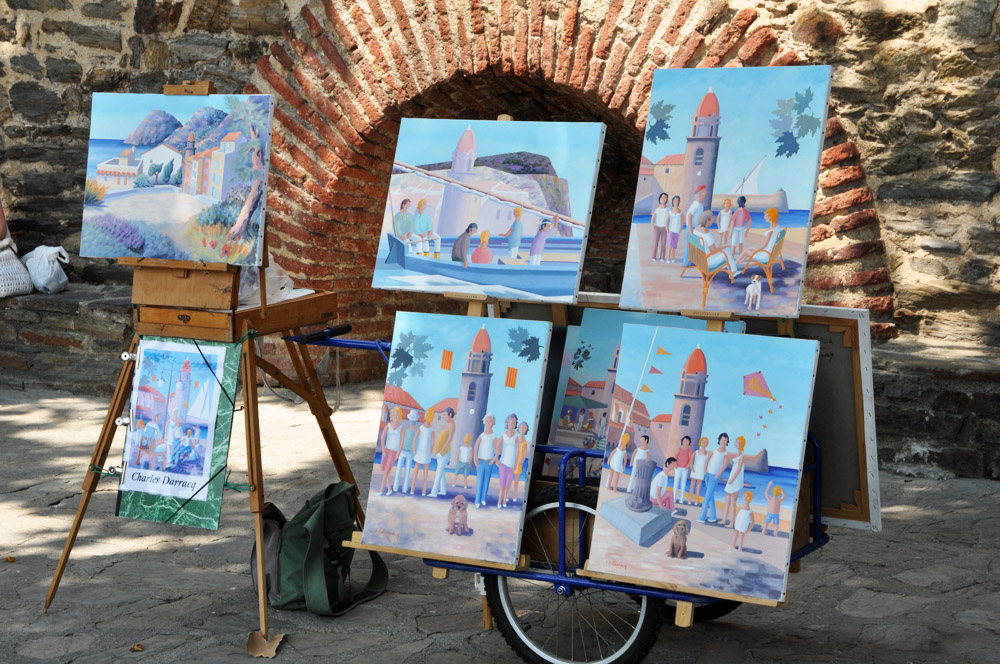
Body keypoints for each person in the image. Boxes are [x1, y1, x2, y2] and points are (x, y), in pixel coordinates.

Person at [722, 436, 766, 527]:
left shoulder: (741, 455)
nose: (736, 444)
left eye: (738, 442)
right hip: (732, 478)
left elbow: (738, 470)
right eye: (736, 442)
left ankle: (731, 523)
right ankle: (724, 520)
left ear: (742, 444)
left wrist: (732, 480)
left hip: (735, 480)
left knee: (733, 502)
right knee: (727, 501)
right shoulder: (738, 453)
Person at [697, 433, 737, 524]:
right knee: (710, 496)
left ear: (727, 442)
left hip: (715, 476)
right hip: (708, 474)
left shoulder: (725, 454)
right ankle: (713, 517)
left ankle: (702, 517)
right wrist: (705, 471)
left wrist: (717, 475)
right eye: (722, 440)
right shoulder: (714, 451)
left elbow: (724, 466)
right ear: (719, 440)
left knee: (706, 497)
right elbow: (707, 461)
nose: (723, 442)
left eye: (725, 440)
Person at [472, 413, 498, 508]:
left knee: (486, 480)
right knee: (480, 481)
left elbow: (497, 451)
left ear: (493, 423)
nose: (488, 423)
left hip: (489, 462)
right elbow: (475, 447)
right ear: (484, 422)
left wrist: (494, 460)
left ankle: (483, 498)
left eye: (490, 421)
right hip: (480, 461)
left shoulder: (493, 436)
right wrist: (475, 459)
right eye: (487, 421)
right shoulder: (482, 435)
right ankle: (477, 500)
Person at [429, 407, 456, 497]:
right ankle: (443, 490)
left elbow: (449, 439)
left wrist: (442, 451)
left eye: (445, 415)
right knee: (442, 471)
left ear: (450, 415)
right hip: (439, 452)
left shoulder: (452, 424)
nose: (444, 416)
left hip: (444, 453)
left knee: (438, 472)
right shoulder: (446, 424)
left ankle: (434, 492)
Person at [378, 407, 405, 495]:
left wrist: (398, 453)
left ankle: (381, 490)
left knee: (386, 471)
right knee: (383, 469)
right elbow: (382, 438)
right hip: (386, 450)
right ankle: (389, 489)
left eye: (398, 415)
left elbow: (402, 443)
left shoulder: (401, 428)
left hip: (394, 452)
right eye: (395, 414)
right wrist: (383, 450)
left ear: (400, 416)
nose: (396, 416)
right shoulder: (388, 425)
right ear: (392, 415)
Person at [410, 408, 436, 496]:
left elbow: (432, 442)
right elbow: (415, 439)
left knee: (423, 473)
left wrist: (430, 452)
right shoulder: (422, 427)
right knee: (419, 473)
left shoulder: (431, 429)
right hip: (421, 452)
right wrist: (414, 449)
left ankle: (421, 491)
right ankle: (415, 490)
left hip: (425, 453)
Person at [393, 409, 420, 493]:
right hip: (410, 453)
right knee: (407, 471)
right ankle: (404, 489)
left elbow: (401, 442)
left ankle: (395, 487)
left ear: (409, 420)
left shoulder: (405, 430)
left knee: (399, 470)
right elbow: (417, 444)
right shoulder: (416, 433)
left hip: (403, 451)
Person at [496, 414, 519, 508]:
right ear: (507, 423)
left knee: (508, 483)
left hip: (511, 464)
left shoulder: (516, 436)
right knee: (502, 483)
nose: (512, 424)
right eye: (511, 422)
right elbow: (497, 448)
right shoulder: (503, 435)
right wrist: (497, 460)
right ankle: (499, 501)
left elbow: (517, 451)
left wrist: (516, 463)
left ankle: (504, 501)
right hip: (503, 463)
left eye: (514, 422)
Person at [511, 420, 530, 502]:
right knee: (509, 479)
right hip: (512, 461)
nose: (522, 429)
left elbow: (525, 454)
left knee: (516, 481)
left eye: (524, 428)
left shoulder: (525, 442)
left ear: (526, 430)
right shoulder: (515, 439)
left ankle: (514, 496)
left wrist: (520, 463)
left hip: (518, 463)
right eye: (521, 427)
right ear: (518, 428)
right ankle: (507, 495)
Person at [689, 436, 710, 506]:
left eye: (705, 442)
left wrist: (705, 470)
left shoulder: (707, 453)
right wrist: (692, 467)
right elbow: (691, 459)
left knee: (698, 486)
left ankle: (696, 500)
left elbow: (708, 463)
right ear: (700, 443)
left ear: (707, 444)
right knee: (692, 485)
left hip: (701, 471)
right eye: (703, 442)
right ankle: (689, 499)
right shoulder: (696, 452)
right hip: (695, 470)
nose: (703, 444)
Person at [673, 435, 693, 504]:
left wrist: (688, 465)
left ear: (689, 442)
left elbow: (690, 459)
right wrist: (675, 464)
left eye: (687, 441)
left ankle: (681, 500)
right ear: (682, 442)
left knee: (683, 484)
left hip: (685, 469)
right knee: (676, 483)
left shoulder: (689, 450)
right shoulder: (679, 449)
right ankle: (674, 499)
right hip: (678, 468)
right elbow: (675, 457)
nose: (685, 442)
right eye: (684, 441)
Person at [651, 192, 670, 262]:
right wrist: (652, 226)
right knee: (655, 243)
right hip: (657, 228)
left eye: (665, 197)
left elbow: (669, 219)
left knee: (663, 243)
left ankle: (662, 257)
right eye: (662, 197)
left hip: (664, 228)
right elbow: (653, 218)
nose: (663, 199)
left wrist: (668, 228)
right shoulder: (657, 209)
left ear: (666, 199)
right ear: (660, 199)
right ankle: (653, 257)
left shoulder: (668, 209)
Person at [667, 195, 684, 263]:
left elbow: (682, 221)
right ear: (672, 202)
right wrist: (667, 229)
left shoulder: (681, 212)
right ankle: (668, 259)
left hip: (677, 231)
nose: (675, 202)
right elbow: (667, 221)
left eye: (677, 201)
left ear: (678, 202)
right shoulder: (670, 211)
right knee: (670, 245)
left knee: (674, 246)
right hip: (671, 230)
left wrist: (680, 229)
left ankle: (673, 258)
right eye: (674, 201)